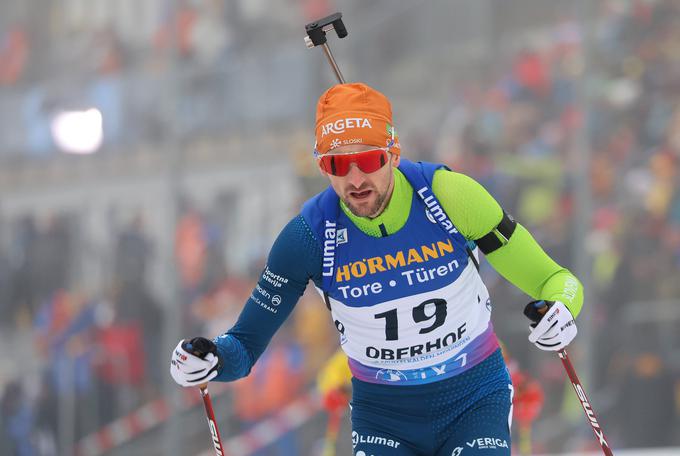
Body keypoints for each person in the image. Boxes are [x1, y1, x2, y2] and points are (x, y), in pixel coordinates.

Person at [170, 83, 583, 455]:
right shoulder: (309, 237)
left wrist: (562, 310)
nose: (354, 179)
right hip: (384, 415)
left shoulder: (449, 198)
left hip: (472, 396)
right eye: (336, 164)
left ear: (393, 153)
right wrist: (208, 359)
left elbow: (553, 280)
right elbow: (242, 347)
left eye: (368, 159)